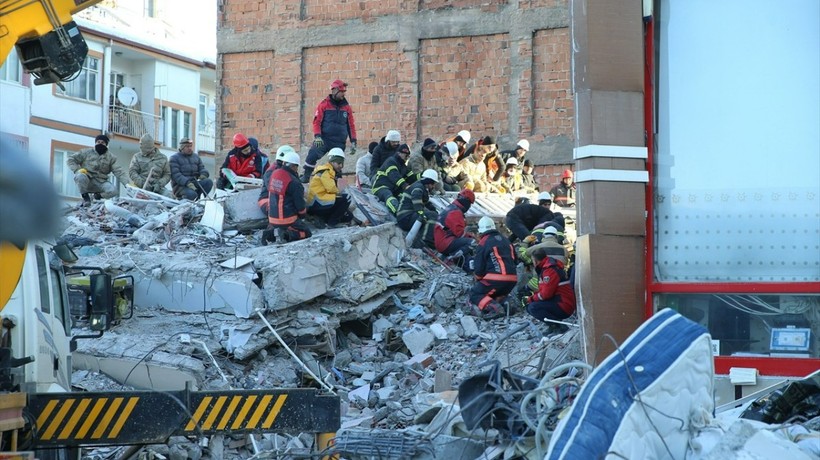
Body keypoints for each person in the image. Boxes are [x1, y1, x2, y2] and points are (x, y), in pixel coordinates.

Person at [302, 79, 357, 182]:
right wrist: (318, 136)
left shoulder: (347, 107)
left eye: (344, 92)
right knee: (312, 154)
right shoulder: (324, 105)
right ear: (335, 90)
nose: (343, 94)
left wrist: (353, 141)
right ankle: (306, 176)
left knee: (338, 162)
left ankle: (337, 181)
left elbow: (351, 125)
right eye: (342, 92)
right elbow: (316, 122)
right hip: (324, 139)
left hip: (339, 142)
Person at [468, 216, 518, 319]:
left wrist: (478, 279)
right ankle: (507, 304)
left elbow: (479, 268)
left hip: (496, 279)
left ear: (481, 231)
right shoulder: (506, 241)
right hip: (512, 279)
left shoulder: (484, 242)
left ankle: (494, 308)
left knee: (475, 293)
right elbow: (515, 260)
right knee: (494, 293)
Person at [67, 134, 129, 206]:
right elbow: (71, 159)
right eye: (98, 142)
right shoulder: (86, 152)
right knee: (80, 176)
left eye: (102, 142)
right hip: (87, 180)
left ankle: (96, 196)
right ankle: (86, 198)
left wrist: (127, 184)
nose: (100, 144)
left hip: (101, 183)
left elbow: (119, 171)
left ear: (106, 144)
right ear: (95, 143)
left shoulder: (111, 158)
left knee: (114, 191)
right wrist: (77, 170)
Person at [524, 247, 576, 331]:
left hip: (563, 305)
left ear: (535, 260)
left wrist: (531, 299)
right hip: (563, 302)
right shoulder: (549, 267)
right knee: (532, 305)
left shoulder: (549, 270)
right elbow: (544, 290)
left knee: (533, 307)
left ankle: (558, 326)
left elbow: (546, 294)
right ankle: (554, 325)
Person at [265, 150, 311, 243]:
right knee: (306, 232)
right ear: (294, 166)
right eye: (296, 167)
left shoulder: (274, 174)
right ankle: (287, 235)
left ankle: (270, 234)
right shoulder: (293, 181)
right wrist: (303, 215)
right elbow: (300, 205)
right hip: (286, 219)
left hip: (272, 219)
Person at [307, 148, 354, 228]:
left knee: (348, 216)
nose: (341, 166)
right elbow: (331, 189)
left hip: (320, 201)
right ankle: (332, 223)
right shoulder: (325, 172)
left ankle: (324, 220)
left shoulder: (330, 172)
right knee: (347, 198)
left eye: (341, 163)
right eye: (339, 163)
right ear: (332, 161)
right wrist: (341, 192)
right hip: (318, 202)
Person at [395, 169, 440, 248]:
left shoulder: (420, 187)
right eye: (433, 184)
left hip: (406, 216)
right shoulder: (418, 188)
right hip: (405, 218)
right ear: (429, 182)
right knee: (432, 216)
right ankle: (426, 241)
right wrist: (423, 214)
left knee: (433, 215)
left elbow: (426, 203)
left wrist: (436, 212)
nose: (433, 187)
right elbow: (417, 203)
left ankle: (422, 241)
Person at [434, 189, 476, 271]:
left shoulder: (451, 208)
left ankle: (457, 259)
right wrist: (472, 237)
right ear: (466, 201)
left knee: (465, 247)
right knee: (472, 243)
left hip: (443, 240)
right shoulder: (455, 212)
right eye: (470, 203)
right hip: (445, 242)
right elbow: (460, 233)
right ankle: (452, 258)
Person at [371, 143, 416, 214]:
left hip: (394, 189)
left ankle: (410, 212)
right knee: (389, 197)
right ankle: (398, 214)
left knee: (405, 197)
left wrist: (423, 177)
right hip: (381, 187)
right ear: (399, 153)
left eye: (409, 156)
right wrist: (405, 185)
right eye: (406, 155)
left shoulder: (404, 166)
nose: (407, 158)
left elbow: (411, 177)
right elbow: (394, 175)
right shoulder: (391, 161)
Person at [258, 145, 294, 217]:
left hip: (281, 199)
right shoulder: (271, 172)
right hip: (267, 199)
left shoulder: (288, 169)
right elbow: (274, 190)